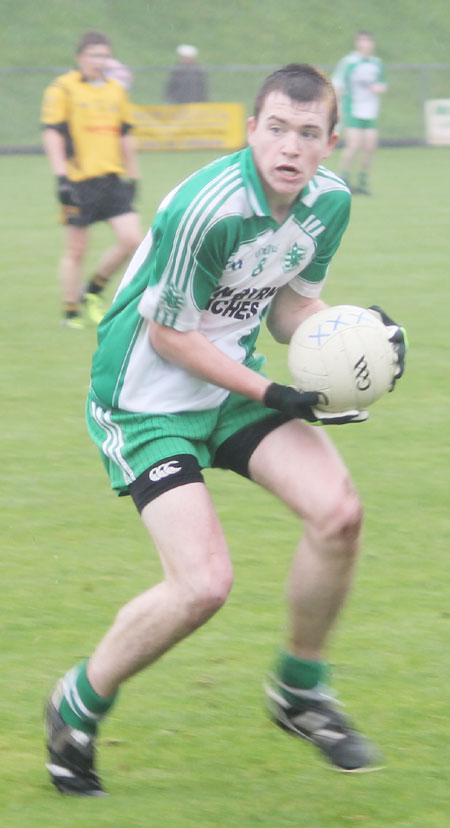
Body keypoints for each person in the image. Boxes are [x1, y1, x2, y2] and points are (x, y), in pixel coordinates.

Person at [44, 63, 406, 796]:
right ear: (251, 131)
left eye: (308, 133)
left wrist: (352, 336)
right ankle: (76, 703)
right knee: (203, 585)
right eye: (276, 127)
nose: (290, 145)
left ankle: (301, 693)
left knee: (339, 514)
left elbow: (288, 309)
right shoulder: (207, 208)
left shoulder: (328, 204)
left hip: (228, 380)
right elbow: (173, 337)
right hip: (145, 400)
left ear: (330, 142)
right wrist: (278, 390)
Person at [41, 30, 142, 329]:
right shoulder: (63, 89)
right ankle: (70, 311)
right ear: (80, 58)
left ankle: (93, 290)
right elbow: (52, 133)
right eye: (95, 55)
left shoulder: (116, 91)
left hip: (111, 180)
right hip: (78, 180)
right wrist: (61, 176)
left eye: (105, 55)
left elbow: (125, 135)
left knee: (133, 240)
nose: (100, 61)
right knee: (76, 249)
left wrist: (133, 175)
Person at [332, 31, 387, 195]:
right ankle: (344, 178)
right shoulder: (349, 62)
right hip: (354, 109)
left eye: (368, 42)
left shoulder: (376, 63)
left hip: (371, 111)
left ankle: (363, 181)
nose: (366, 45)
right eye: (362, 42)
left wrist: (379, 89)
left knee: (370, 146)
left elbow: (382, 84)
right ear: (357, 44)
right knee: (353, 145)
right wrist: (339, 107)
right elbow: (337, 84)